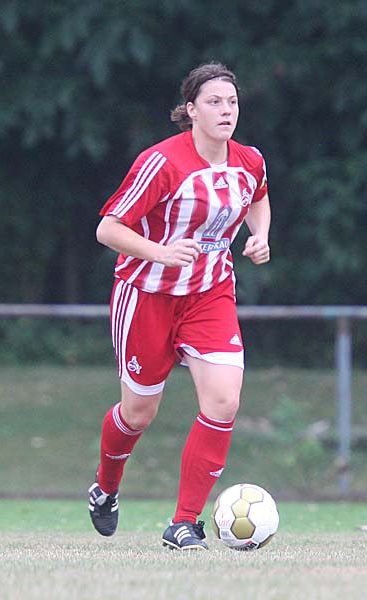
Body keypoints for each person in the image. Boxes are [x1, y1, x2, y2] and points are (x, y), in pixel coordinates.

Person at [88, 62, 271, 550]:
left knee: (224, 401)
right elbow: (108, 228)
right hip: (146, 296)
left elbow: (258, 197)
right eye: (214, 102)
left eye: (232, 102)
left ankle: (184, 523)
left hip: (210, 294)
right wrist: (160, 252)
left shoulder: (249, 160)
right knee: (138, 413)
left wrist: (260, 235)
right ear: (191, 110)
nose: (226, 111)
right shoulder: (162, 163)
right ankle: (105, 488)